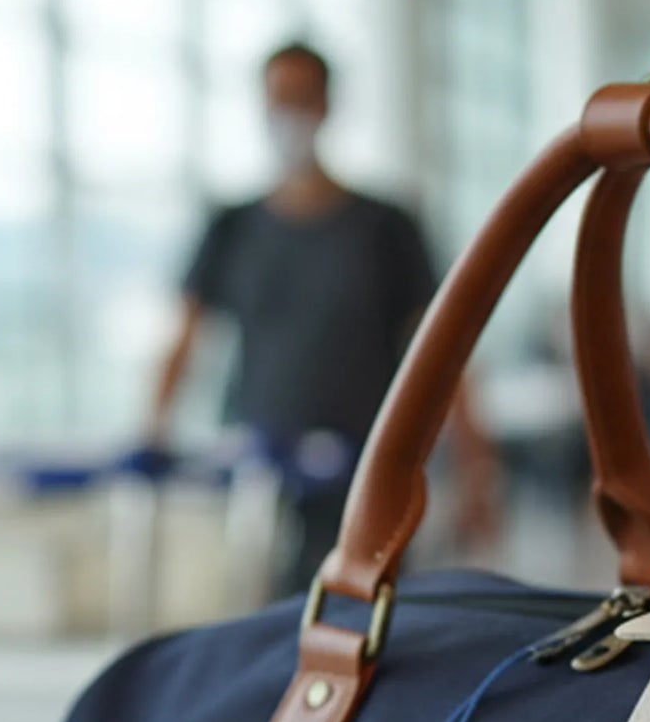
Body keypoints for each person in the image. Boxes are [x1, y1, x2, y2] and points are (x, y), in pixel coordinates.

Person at [148, 41, 498, 591]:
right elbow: (185, 338)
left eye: (303, 97)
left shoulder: (384, 228)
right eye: (279, 98)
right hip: (259, 480)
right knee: (264, 615)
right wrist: (153, 434)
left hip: (367, 475)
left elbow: (440, 351)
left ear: (328, 104)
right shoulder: (232, 228)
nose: (291, 113)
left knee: (362, 614)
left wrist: (476, 464)